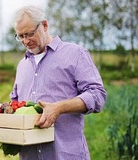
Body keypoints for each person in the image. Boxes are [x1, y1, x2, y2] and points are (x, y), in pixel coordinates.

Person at [10, 6, 107, 160]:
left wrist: (59, 108)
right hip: (29, 155)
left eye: (29, 34)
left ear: (44, 25)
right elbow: (15, 103)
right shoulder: (22, 65)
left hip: (65, 154)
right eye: (20, 36)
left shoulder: (75, 54)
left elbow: (97, 95)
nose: (26, 41)